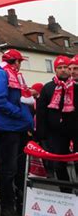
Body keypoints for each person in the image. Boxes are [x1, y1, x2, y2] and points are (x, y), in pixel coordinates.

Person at [0, 49, 34, 216]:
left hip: (17, 128)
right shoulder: (1, 74)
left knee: (20, 169)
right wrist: (19, 113)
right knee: (9, 170)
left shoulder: (13, 75)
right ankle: (7, 208)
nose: (20, 65)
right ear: (15, 62)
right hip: (7, 128)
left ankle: (21, 204)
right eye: (19, 62)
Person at [36, 55, 77, 191]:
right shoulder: (48, 88)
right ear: (55, 70)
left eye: (66, 67)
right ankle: (66, 192)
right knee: (59, 165)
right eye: (60, 68)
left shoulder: (76, 86)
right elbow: (41, 112)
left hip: (75, 130)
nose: (63, 70)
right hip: (56, 133)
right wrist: (41, 134)